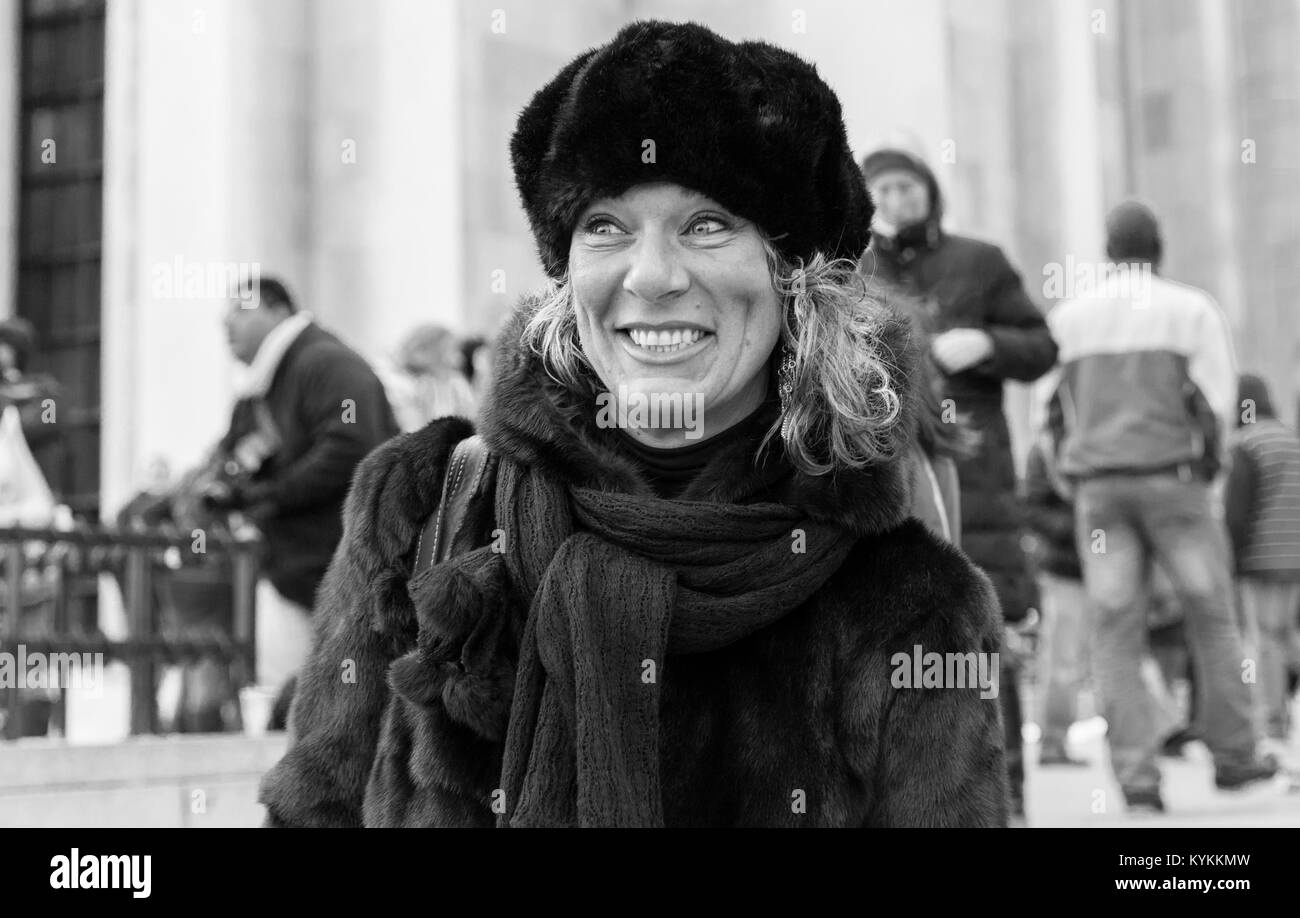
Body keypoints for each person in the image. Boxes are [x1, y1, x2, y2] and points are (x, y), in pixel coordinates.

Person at [260, 21, 1008, 828]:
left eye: (708, 223)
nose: (650, 277)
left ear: (793, 278)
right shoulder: (424, 512)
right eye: (606, 226)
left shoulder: (912, 606)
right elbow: (314, 810)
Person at [1043, 200, 1277, 813]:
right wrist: (1207, 473)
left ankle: (1138, 781)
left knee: (1114, 631)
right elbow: (1218, 405)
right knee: (1211, 614)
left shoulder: (1071, 317)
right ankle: (1236, 758)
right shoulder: (1191, 309)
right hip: (1174, 484)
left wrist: (1072, 477)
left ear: (1108, 250)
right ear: (1159, 246)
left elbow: (1048, 415)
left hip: (1099, 490)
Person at [859, 147, 1058, 822]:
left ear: (928, 190)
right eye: (880, 187)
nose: (893, 197)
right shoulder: (851, 268)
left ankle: (1009, 801)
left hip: (978, 475)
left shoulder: (982, 260)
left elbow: (1042, 346)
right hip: (892, 472)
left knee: (984, 635)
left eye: (905, 185)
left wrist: (988, 344)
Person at [206, 278, 399, 711]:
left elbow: (351, 446)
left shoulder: (326, 363)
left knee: (343, 709)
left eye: (241, 308)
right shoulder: (259, 391)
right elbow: (232, 457)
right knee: (297, 704)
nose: (227, 321)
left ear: (278, 311)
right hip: (296, 572)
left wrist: (269, 495)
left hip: (344, 574)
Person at [1224, 373, 1300, 745]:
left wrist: (1230, 559)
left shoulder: (1246, 444)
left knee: (1265, 639)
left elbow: (1237, 512)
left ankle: (1273, 720)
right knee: (1286, 633)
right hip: (1295, 554)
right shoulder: (1290, 438)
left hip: (1262, 558)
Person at [1022, 432, 1091, 766]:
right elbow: (1032, 507)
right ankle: (1053, 742)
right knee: (1062, 659)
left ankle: (1161, 731)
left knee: (1121, 652)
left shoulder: (1099, 435)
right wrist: (1075, 528)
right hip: (1065, 566)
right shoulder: (1046, 447)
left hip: (1103, 562)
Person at [385, 324, 479, 432]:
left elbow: (470, 417)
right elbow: (413, 429)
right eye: (452, 350)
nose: (460, 357)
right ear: (431, 353)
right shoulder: (411, 386)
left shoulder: (456, 383)